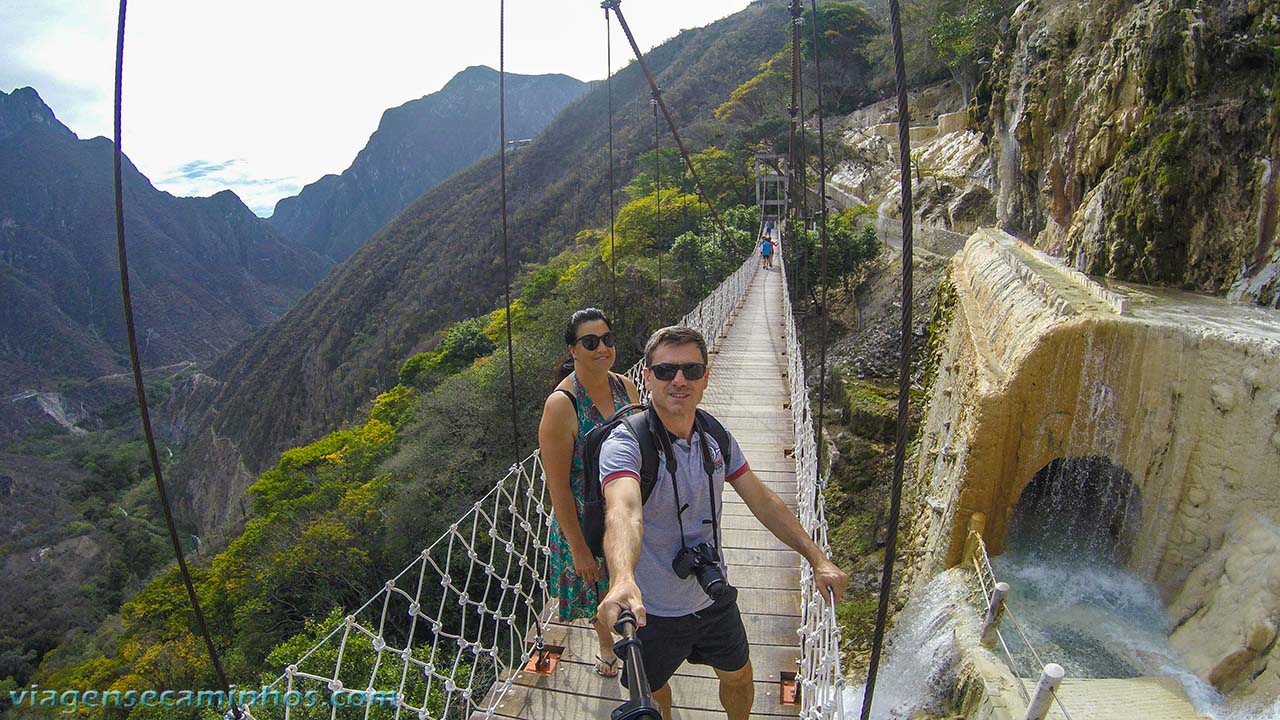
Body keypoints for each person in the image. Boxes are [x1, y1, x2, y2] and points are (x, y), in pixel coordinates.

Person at [596, 326, 847, 720]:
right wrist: (622, 578)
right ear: (646, 376)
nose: (679, 380)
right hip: (651, 609)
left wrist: (817, 558)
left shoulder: (715, 436)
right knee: (656, 689)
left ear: (706, 377)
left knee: (740, 677)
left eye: (691, 370)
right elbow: (623, 510)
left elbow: (761, 499)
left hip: (712, 596)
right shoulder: (626, 445)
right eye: (665, 371)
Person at [538, 308, 641, 678]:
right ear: (573, 350)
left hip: (623, 504)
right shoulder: (561, 406)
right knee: (598, 589)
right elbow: (559, 486)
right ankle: (605, 646)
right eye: (590, 342)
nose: (602, 348)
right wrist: (578, 547)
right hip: (583, 518)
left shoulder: (625, 387)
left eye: (607, 339)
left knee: (628, 577)